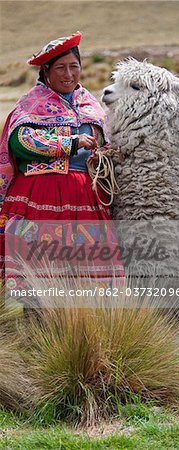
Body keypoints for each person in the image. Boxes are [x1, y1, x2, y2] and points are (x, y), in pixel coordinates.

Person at [0, 31, 123, 306]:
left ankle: (76, 340)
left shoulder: (90, 104)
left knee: (84, 283)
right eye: (60, 68)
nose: (68, 75)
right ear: (45, 71)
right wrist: (69, 142)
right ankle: (39, 339)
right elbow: (21, 142)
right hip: (41, 196)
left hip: (86, 199)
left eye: (74, 67)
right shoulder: (32, 105)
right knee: (40, 282)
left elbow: (106, 141)